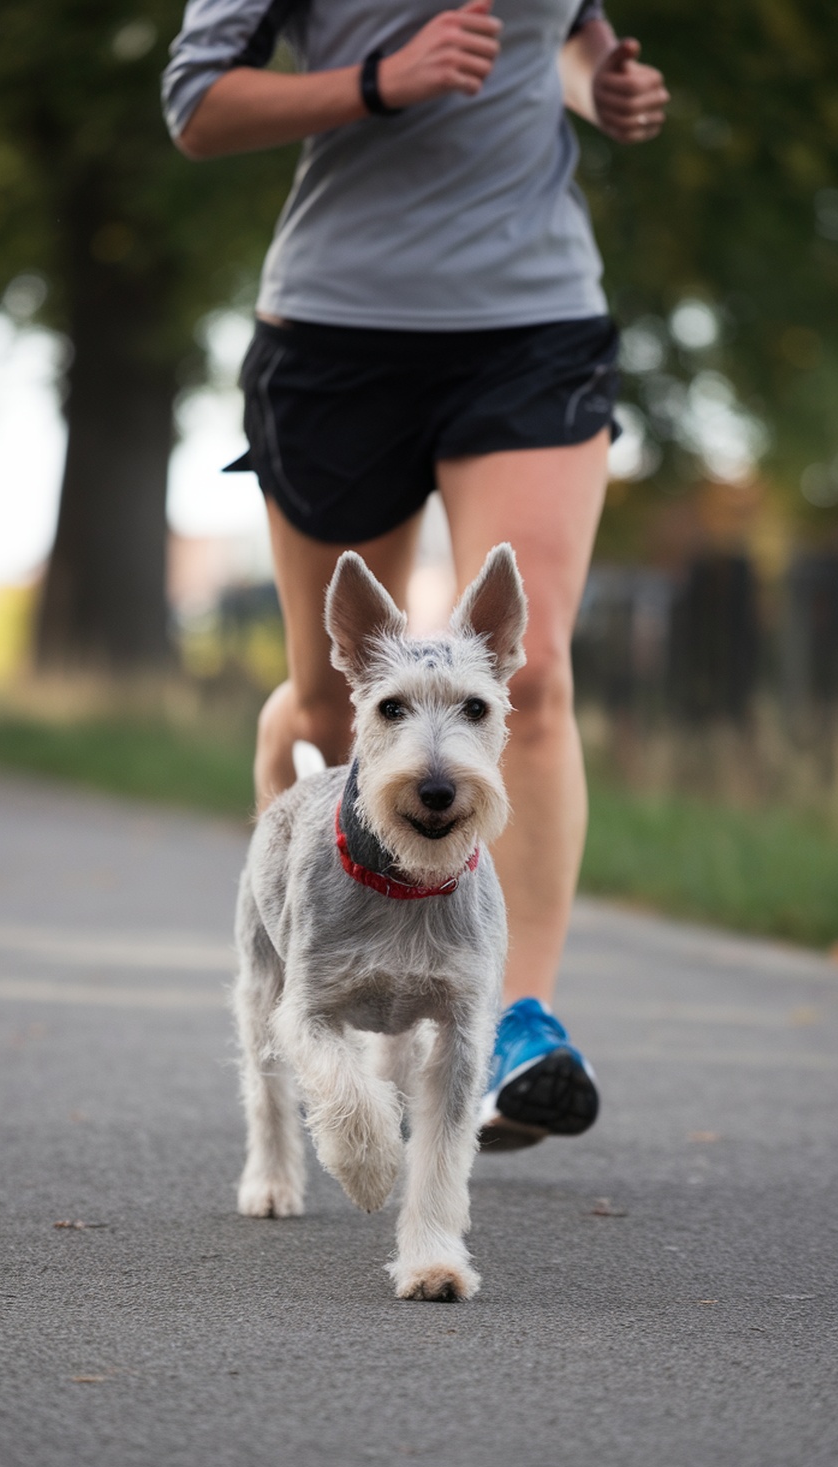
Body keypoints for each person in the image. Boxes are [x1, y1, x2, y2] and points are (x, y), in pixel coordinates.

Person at [162, 0, 667, 1149]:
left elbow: (569, 37)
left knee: (523, 680)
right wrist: (379, 80)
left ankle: (513, 1020)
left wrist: (604, 87)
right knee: (326, 695)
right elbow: (197, 106)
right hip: (341, 331)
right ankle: (304, 908)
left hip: (534, 317)